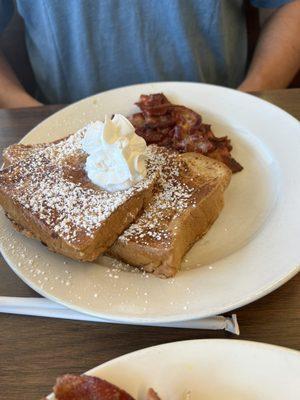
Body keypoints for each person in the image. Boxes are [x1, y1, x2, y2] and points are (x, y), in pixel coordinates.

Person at [0, 0, 299, 108]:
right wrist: (27, 109)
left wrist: (249, 99)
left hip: (219, 118)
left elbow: (290, 5)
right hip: (61, 123)